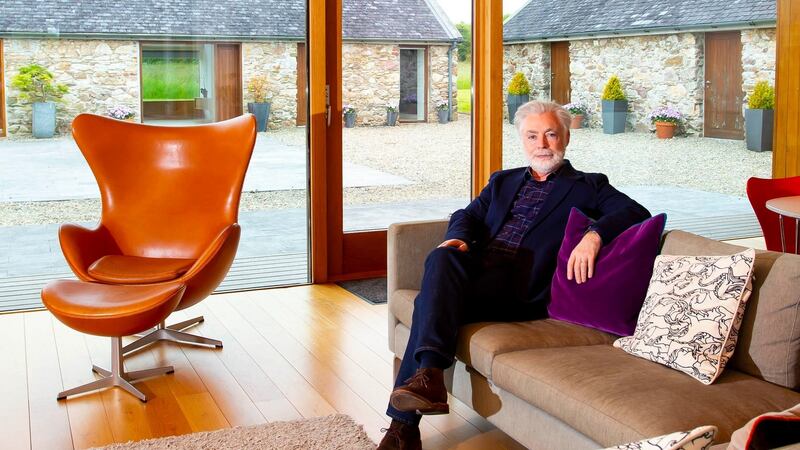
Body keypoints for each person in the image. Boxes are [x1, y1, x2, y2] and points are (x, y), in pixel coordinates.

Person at [377, 100, 651, 450]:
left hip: (521, 288)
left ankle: (403, 425)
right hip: (479, 271)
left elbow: (634, 211)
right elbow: (468, 214)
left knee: (430, 304)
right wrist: (458, 237)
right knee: (442, 259)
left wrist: (594, 235)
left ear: (566, 138)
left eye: (551, 134)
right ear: (522, 140)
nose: (542, 144)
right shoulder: (503, 181)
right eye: (533, 136)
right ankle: (424, 386)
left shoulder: (588, 185)